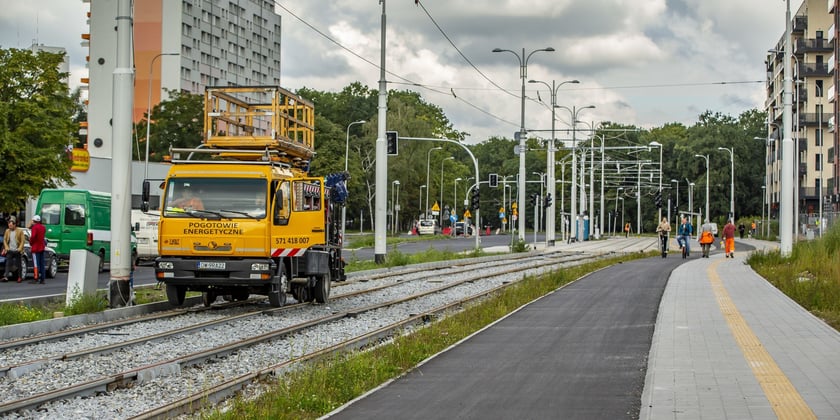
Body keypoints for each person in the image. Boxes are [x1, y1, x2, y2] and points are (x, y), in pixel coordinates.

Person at [2, 216, 25, 283]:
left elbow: (22, 241)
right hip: (10, 250)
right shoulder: (7, 231)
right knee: (8, 263)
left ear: (15, 225)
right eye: (9, 224)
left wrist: (19, 249)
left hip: (17, 250)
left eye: (11, 225)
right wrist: (6, 248)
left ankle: (20, 277)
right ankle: (6, 277)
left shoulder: (20, 231)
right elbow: (5, 240)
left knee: (18, 264)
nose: (10, 226)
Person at [28, 215, 47, 284]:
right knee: (42, 263)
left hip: (35, 248)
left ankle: (36, 278)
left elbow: (33, 237)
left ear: (34, 221)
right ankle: (43, 278)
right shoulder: (43, 227)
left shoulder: (34, 228)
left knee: (36, 264)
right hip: (42, 247)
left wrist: (31, 242)